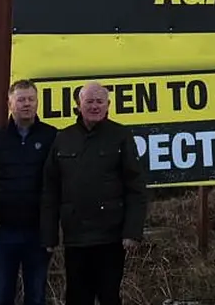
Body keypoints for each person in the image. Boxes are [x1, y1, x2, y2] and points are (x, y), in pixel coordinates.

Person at [41, 81, 148, 305]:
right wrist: (49, 235)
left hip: (110, 237)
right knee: (77, 298)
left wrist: (132, 231)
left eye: (100, 101)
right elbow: (50, 190)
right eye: (89, 101)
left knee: (109, 296)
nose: (95, 106)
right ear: (79, 105)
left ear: (108, 105)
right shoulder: (63, 138)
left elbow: (135, 188)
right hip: (75, 237)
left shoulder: (121, 136)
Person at [0, 79, 57, 305]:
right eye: (21, 100)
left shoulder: (52, 137)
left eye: (31, 99)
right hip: (3, 230)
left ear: (37, 103)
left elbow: (60, 181)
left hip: (38, 231)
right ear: (10, 103)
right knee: (1, 295)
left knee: (36, 295)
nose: (26, 104)